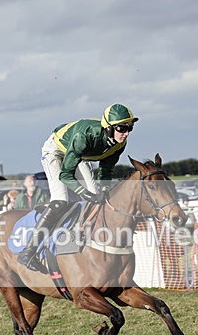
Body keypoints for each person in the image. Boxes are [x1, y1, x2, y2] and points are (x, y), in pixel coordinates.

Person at [17, 103, 138, 272]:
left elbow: (106, 169)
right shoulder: (84, 136)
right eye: (121, 128)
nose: (126, 133)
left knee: (97, 195)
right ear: (109, 128)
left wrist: (103, 190)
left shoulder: (119, 143)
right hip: (56, 151)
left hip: (79, 154)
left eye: (129, 128)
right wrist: (84, 193)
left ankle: (91, 239)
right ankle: (28, 251)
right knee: (60, 201)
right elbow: (65, 175)